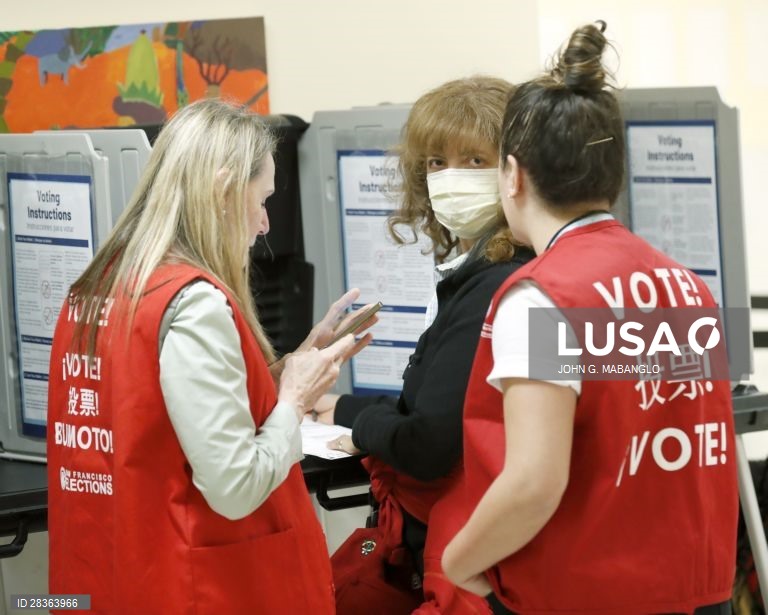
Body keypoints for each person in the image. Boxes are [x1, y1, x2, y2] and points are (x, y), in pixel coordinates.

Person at [440, 22, 738, 614]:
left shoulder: (544, 298)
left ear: (513, 175)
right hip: (694, 594)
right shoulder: (687, 287)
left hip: (585, 595)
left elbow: (533, 483)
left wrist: (458, 563)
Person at [46, 98, 374, 614]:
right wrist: (294, 401)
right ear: (222, 188)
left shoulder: (100, 289)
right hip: (194, 589)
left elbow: (151, 415)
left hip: (105, 578)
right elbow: (236, 485)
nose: (266, 224)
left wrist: (278, 376)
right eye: (261, 199)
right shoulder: (193, 303)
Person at [312, 77, 535, 613]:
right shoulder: (473, 272)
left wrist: (357, 425)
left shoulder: (497, 282)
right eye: (436, 162)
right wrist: (340, 407)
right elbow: (441, 401)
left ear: (514, 171)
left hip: (473, 562)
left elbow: (431, 441)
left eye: (474, 161)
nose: (450, 177)